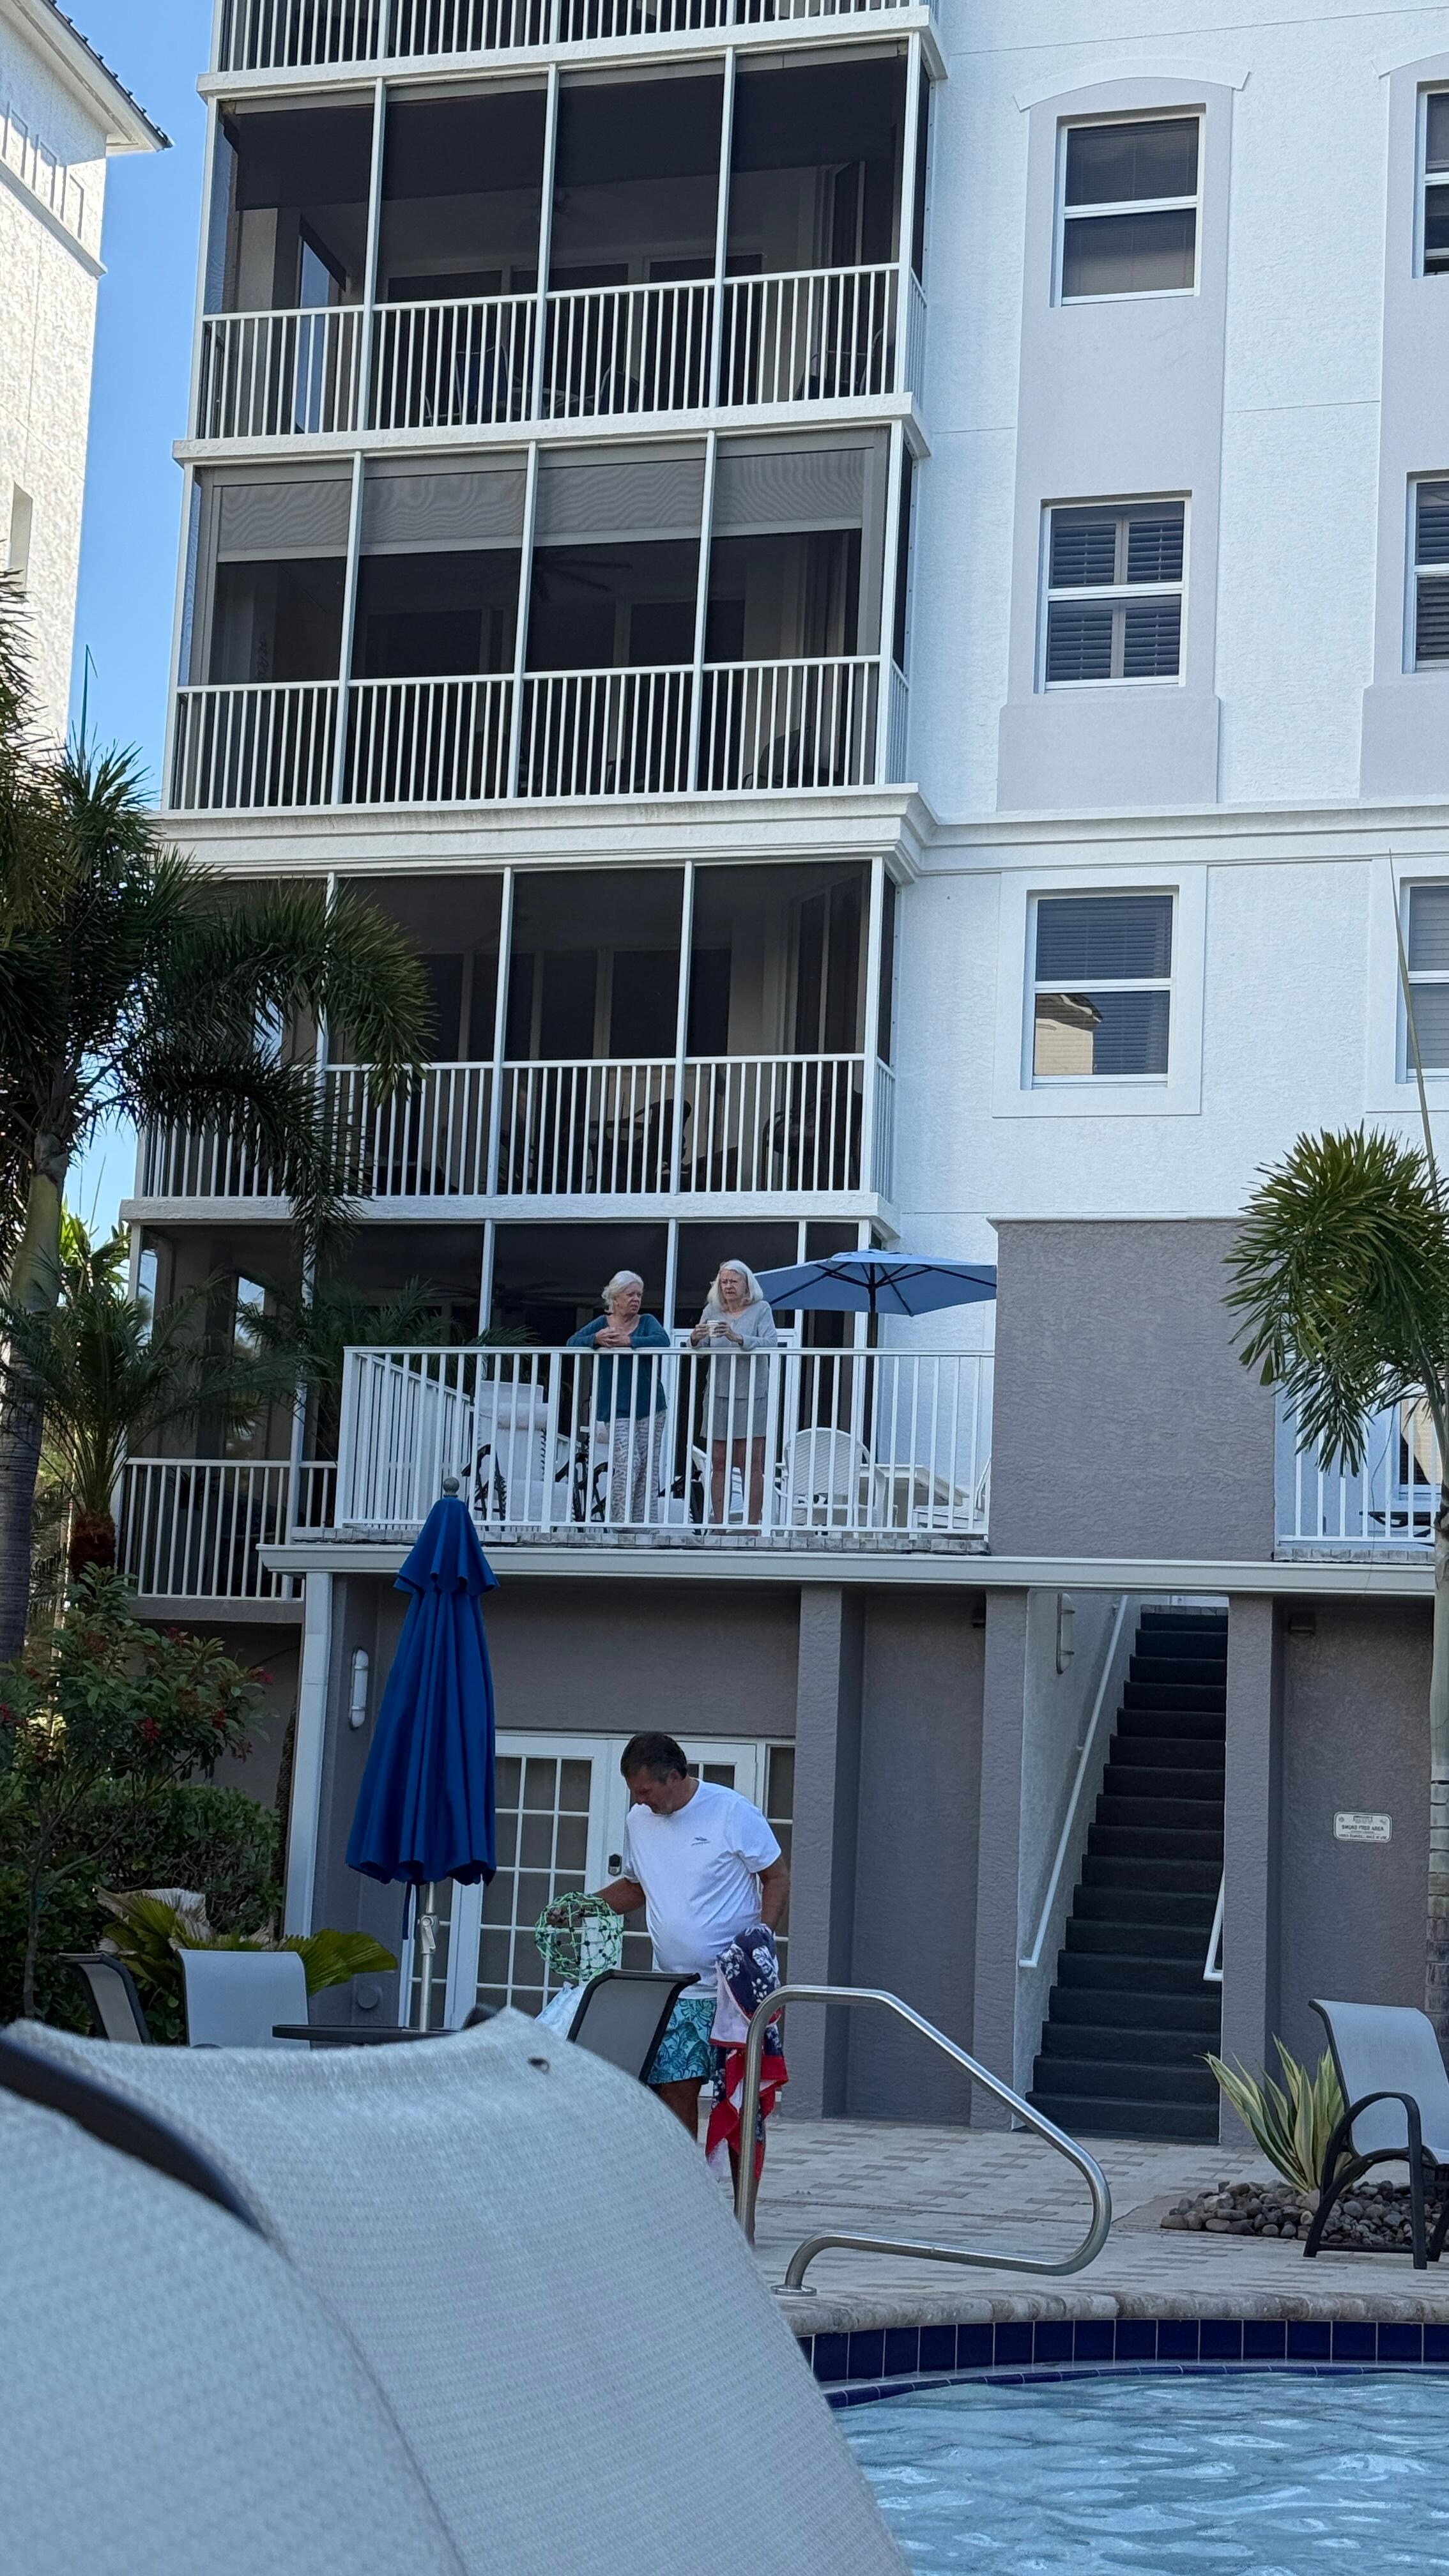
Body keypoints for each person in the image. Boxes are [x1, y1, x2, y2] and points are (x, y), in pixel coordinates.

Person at [586, 1731, 790, 2140]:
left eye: (645, 1791)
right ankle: (690, 2192)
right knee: (674, 2088)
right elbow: (637, 1886)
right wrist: (584, 1906)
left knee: (740, 2097)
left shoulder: (730, 1812)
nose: (639, 1800)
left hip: (734, 1991)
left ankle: (739, 2203)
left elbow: (776, 1876)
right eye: (633, 1792)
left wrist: (762, 1938)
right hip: (677, 1988)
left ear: (675, 1777)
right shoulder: (638, 1822)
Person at [567, 1271, 670, 1524]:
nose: (636, 1299)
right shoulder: (602, 1324)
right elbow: (571, 1343)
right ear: (615, 1297)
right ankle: (620, 1524)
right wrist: (595, 1339)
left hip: (650, 1405)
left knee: (648, 1468)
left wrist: (630, 1342)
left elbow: (663, 1341)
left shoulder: (646, 1321)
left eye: (639, 1295)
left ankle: (644, 1526)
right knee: (628, 1463)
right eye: (630, 1294)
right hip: (615, 1405)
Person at [689, 1260, 779, 1524]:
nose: (728, 1286)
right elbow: (700, 1347)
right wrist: (695, 1338)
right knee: (719, 1461)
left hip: (752, 1394)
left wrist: (738, 1338)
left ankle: (752, 1526)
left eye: (733, 1281)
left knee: (750, 1462)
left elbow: (772, 1343)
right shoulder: (711, 1310)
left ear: (747, 1284)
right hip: (718, 1393)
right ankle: (719, 1524)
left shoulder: (761, 1309)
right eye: (724, 1282)